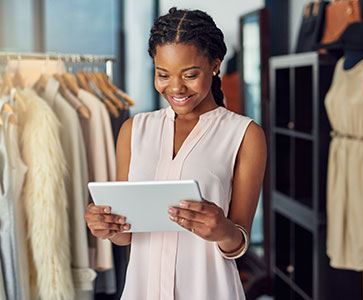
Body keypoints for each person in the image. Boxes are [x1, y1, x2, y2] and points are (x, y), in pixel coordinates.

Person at [84, 7, 266, 300]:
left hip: (209, 291)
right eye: (163, 74)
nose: (176, 87)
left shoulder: (244, 134)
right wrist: (106, 226)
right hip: (142, 291)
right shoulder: (134, 130)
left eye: (190, 74)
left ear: (215, 65)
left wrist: (222, 230)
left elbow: (239, 242)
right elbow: (125, 235)